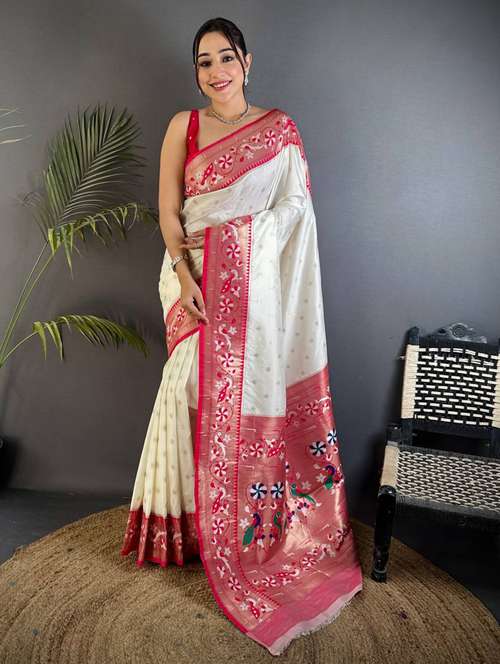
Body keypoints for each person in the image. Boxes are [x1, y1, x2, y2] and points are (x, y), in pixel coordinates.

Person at [120, 16, 363, 656]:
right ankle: (176, 527)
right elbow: (168, 211)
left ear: (247, 62)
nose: (216, 72)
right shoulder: (184, 126)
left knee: (223, 395)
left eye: (226, 58)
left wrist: (243, 242)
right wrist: (185, 273)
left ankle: (228, 524)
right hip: (191, 275)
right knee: (187, 387)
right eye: (204, 62)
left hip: (255, 285)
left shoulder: (279, 131)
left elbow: (295, 209)